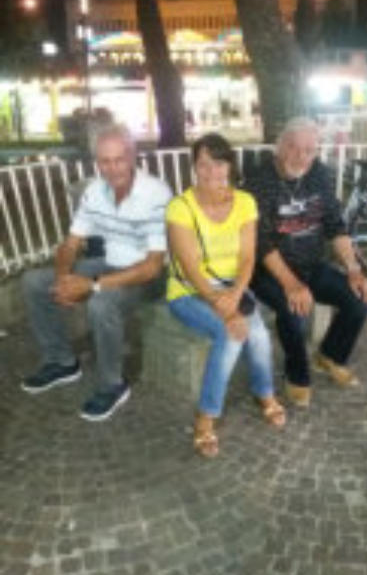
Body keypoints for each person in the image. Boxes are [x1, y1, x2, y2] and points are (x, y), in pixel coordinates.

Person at [22, 123, 172, 421]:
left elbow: (153, 266)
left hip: (150, 276)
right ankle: (61, 361)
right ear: (96, 162)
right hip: (110, 262)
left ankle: (111, 384)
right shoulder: (94, 191)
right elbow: (71, 243)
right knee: (34, 282)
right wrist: (63, 280)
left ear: (132, 157)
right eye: (104, 161)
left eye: (119, 160)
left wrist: (91, 284)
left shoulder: (155, 193)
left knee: (101, 303)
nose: (112, 169)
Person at [167, 133, 285, 458]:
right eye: (203, 164)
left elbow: (247, 258)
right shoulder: (180, 207)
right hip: (189, 291)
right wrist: (225, 309)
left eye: (219, 163)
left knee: (257, 333)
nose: (212, 171)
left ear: (230, 165)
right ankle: (206, 416)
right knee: (231, 334)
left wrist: (235, 295)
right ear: (194, 167)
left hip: (233, 287)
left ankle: (264, 391)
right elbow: (189, 268)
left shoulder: (245, 202)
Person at [246, 117, 367, 408]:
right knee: (294, 310)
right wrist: (291, 284)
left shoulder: (320, 173)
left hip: (311, 264)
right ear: (280, 146)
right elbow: (261, 241)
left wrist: (354, 270)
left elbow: (335, 225)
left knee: (360, 299)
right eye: (293, 147)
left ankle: (330, 356)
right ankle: (297, 373)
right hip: (268, 270)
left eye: (309, 149)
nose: (301, 156)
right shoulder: (259, 179)